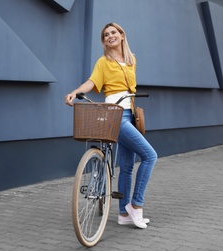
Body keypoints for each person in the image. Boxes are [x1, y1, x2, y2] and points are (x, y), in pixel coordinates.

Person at [64, 23, 157, 229]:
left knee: (126, 168)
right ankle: (136, 206)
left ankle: (123, 213)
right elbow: (91, 81)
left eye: (113, 32)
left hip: (129, 115)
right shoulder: (103, 62)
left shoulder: (132, 61)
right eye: (106, 35)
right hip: (115, 116)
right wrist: (76, 92)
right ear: (104, 41)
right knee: (150, 156)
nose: (110, 36)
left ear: (122, 35)